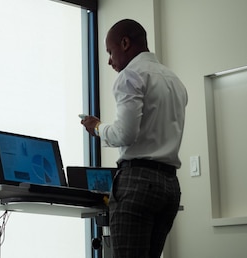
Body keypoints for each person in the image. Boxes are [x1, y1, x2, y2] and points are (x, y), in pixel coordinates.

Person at [80, 19, 187, 258]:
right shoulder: (174, 81)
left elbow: (125, 134)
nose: (109, 61)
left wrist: (97, 127)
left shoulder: (131, 76)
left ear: (125, 43)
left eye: (110, 51)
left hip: (138, 181)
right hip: (170, 186)